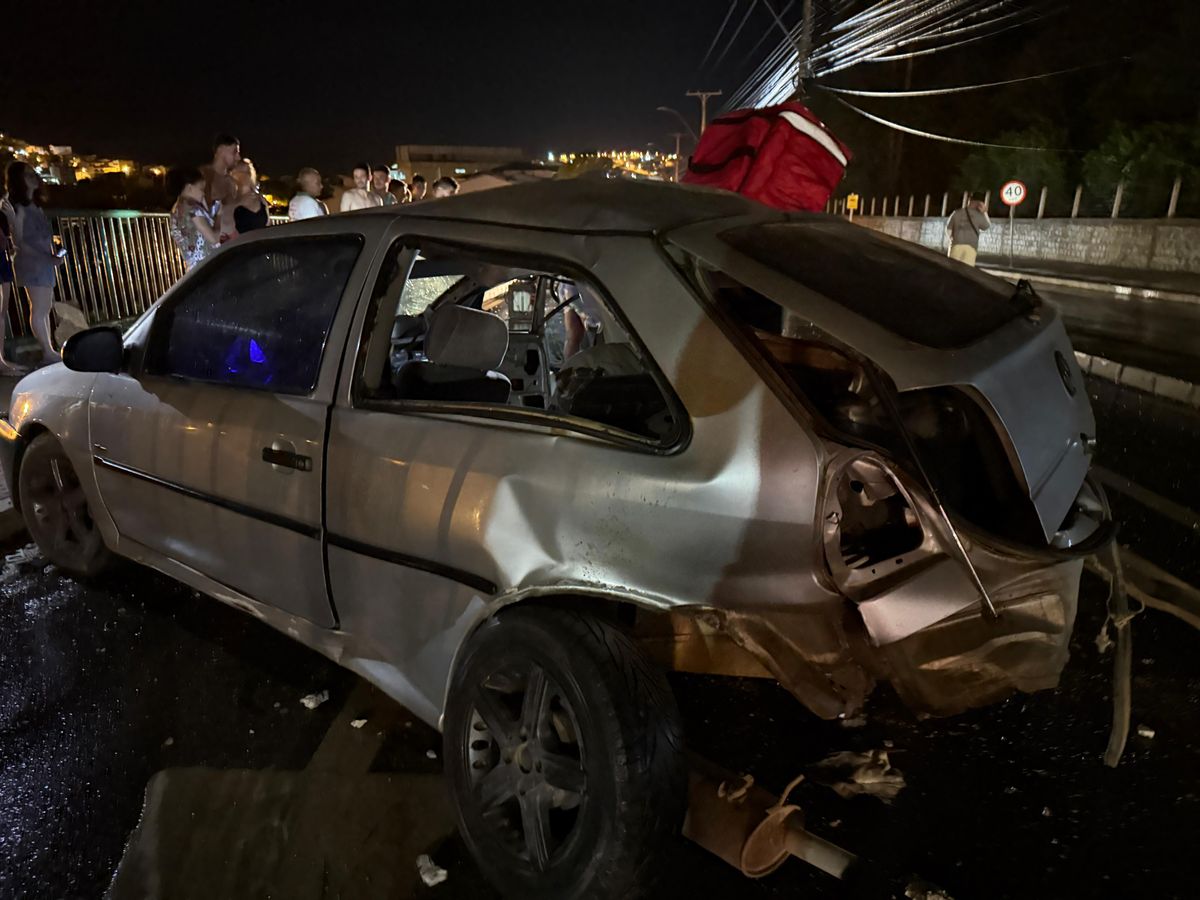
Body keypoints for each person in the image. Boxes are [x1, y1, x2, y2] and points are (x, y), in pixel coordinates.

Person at [5, 162, 65, 364]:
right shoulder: (19, 208)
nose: (33, 177)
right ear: (18, 180)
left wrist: (52, 254)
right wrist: (46, 257)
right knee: (39, 308)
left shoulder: (35, 206)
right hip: (32, 262)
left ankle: (49, 349)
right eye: (27, 174)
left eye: (33, 173)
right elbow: (19, 241)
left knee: (44, 307)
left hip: (43, 261)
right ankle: (47, 352)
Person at [169, 167, 221, 271]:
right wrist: (220, 216)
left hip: (194, 269)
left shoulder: (177, 209)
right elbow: (214, 239)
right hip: (206, 267)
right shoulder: (193, 210)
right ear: (189, 188)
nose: (203, 193)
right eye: (201, 189)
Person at [0, 190, 23, 373]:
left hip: (2, 257)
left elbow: (14, 237)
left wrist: (11, 217)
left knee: (2, 311)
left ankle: (1, 361)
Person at [224, 158, 270, 237]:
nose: (246, 176)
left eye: (248, 172)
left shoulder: (260, 199)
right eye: (242, 172)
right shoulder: (229, 200)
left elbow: (268, 226)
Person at [946, 191, 991, 267]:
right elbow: (987, 226)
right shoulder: (979, 215)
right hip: (971, 247)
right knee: (967, 272)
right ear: (979, 203)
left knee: (952, 270)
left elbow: (948, 229)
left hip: (956, 245)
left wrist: (952, 239)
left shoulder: (957, 213)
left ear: (969, 201)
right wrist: (985, 212)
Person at [203, 132, 241, 214]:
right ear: (221, 150)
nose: (238, 157)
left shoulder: (232, 182)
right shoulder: (202, 176)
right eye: (235, 152)